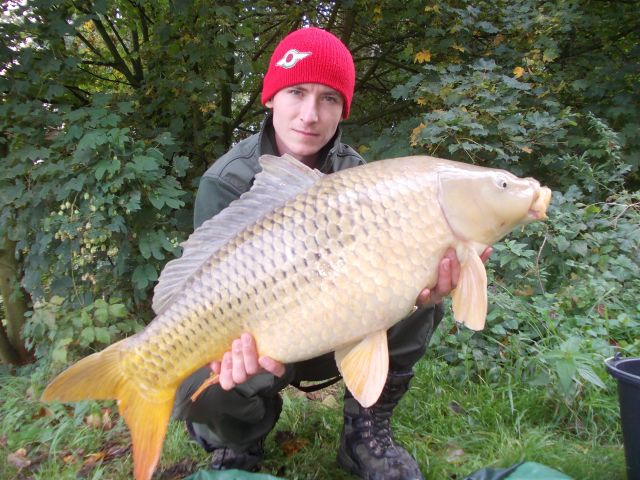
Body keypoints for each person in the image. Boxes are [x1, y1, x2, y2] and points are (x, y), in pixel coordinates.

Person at [172, 27, 490, 480]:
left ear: (343, 110)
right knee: (200, 384)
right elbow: (202, 291)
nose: (310, 114)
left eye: (329, 99)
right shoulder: (226, 180)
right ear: (270, 98)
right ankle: (236, 443)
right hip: (260, 331)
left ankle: (365, 428)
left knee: (424, 277)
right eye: (296, 92)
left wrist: (418, 287)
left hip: (340, 323)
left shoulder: (357, 174)